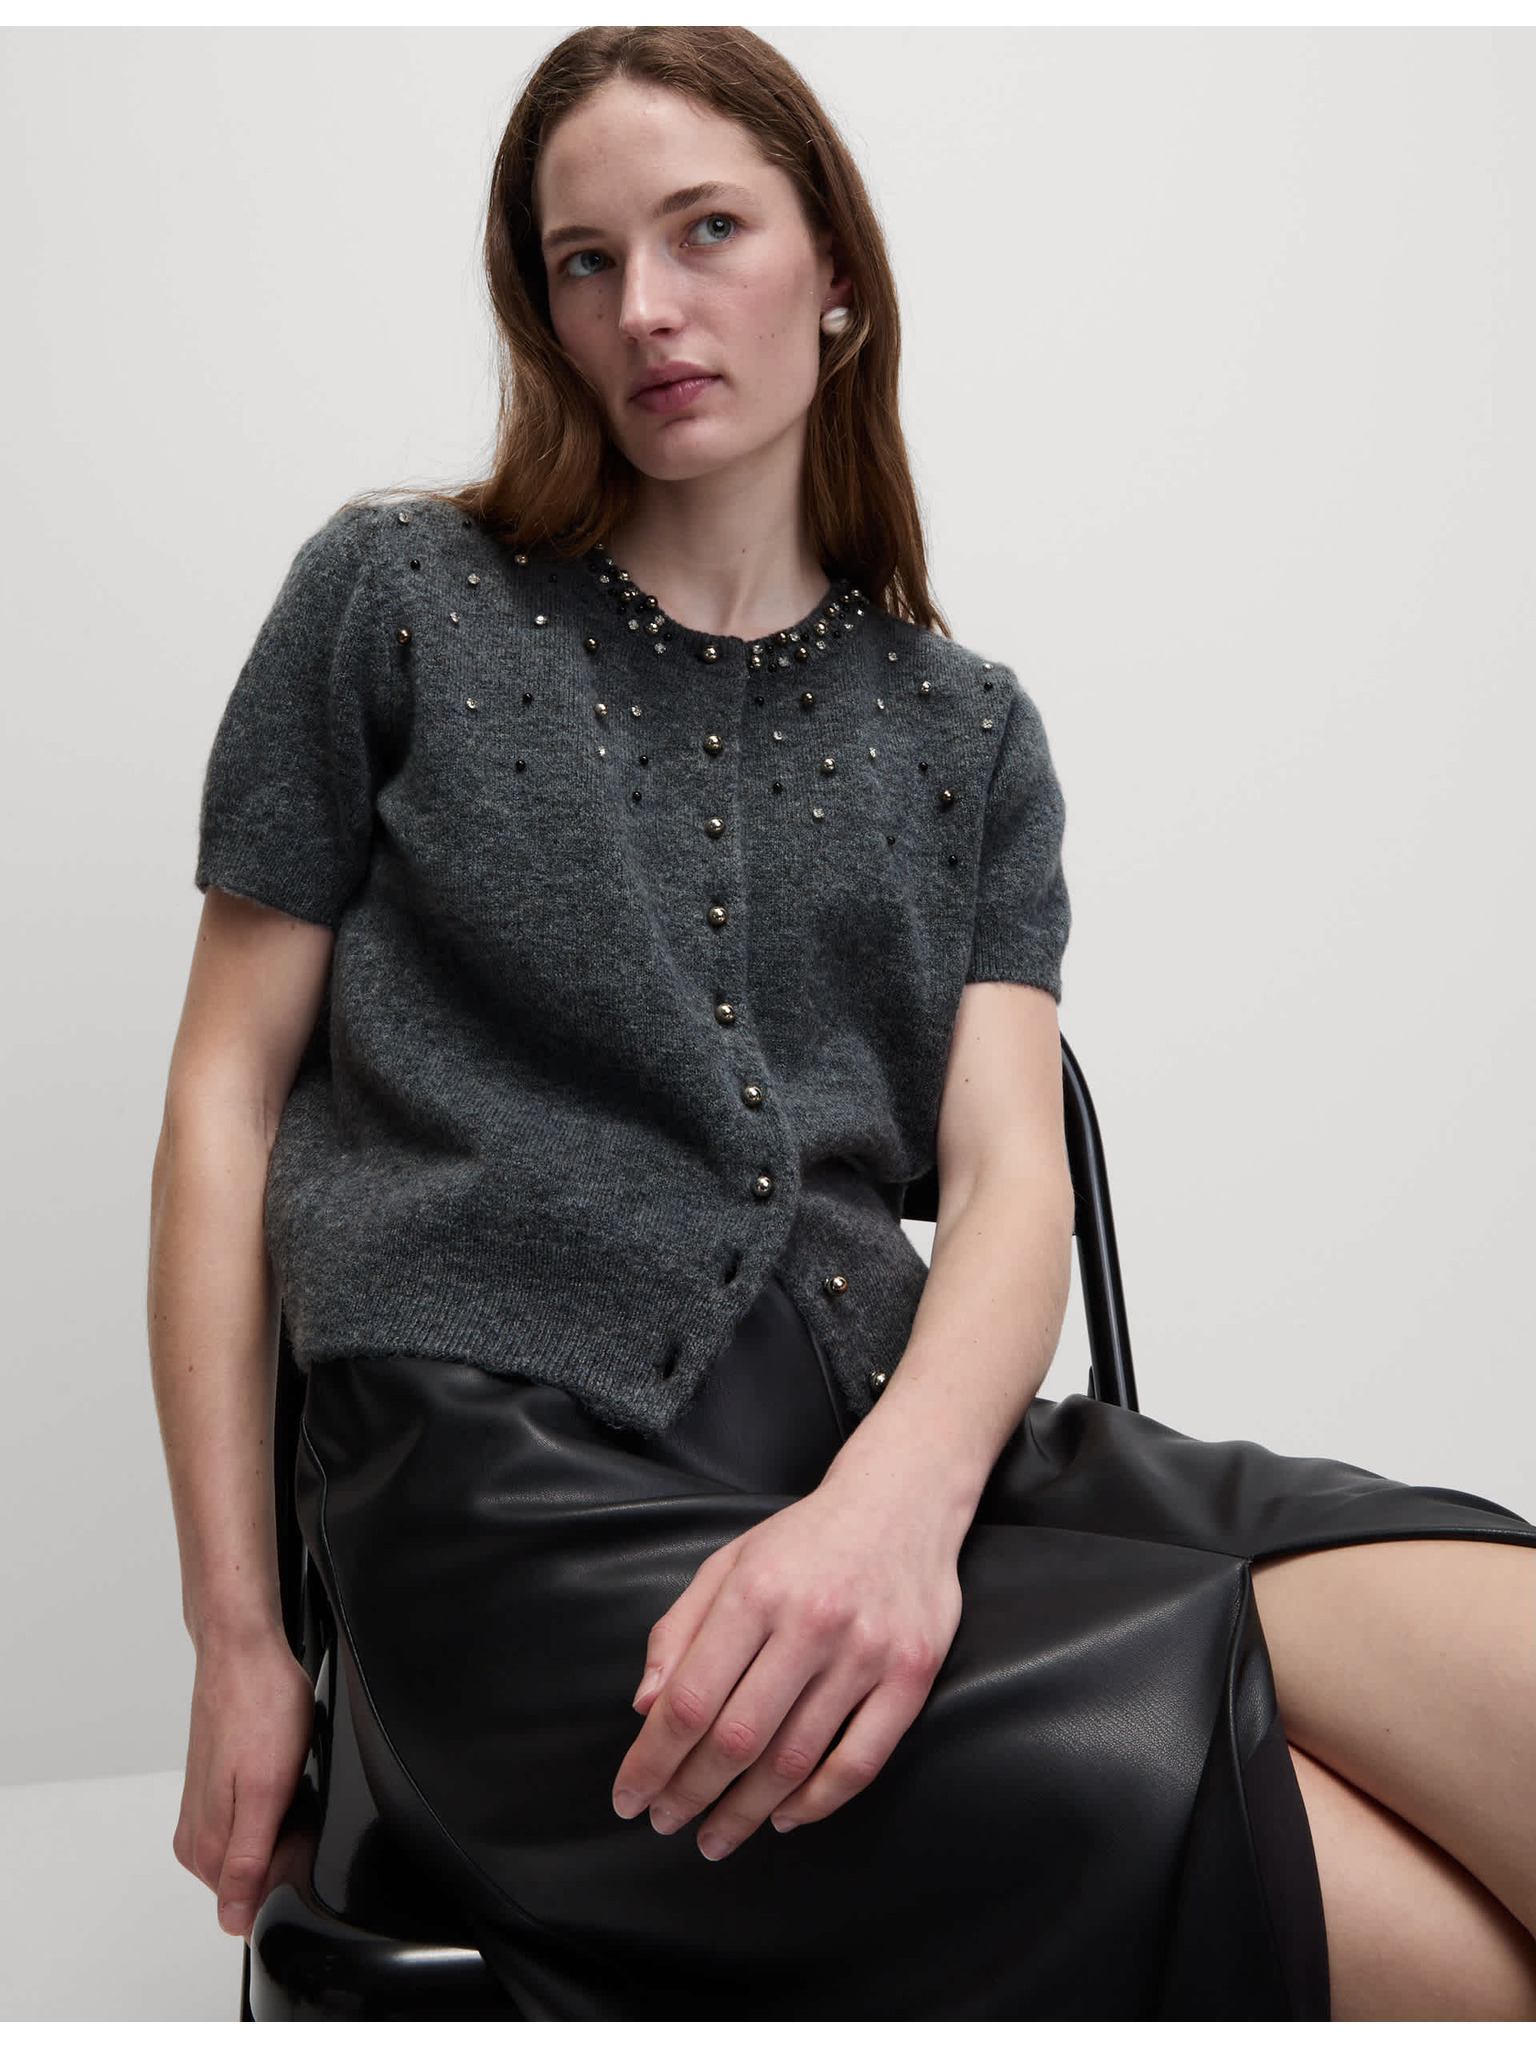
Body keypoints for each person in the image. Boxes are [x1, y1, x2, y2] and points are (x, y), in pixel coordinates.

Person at [147, 26, 1536, 2021]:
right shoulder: (396, 597)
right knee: (1464, 1966)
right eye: (584, 261)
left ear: (837, 275)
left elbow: (1008, 1180)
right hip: (526, 1527)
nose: (646, 306)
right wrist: (238, 1636)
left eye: (705, 230)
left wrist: (896, 1507)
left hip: (933, 1458)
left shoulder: (969, 735)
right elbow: (222, 1102)